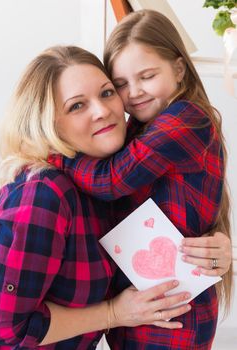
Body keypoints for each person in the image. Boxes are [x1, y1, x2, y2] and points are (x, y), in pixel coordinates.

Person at [48, 10, 233, 350]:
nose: (133, 93)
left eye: (147, 76)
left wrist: (57, 153)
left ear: (179, 69)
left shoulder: (187, 118)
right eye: (119, 84)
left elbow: (111, 180)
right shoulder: (134, 130)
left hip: (175, 308)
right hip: (142, 301)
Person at [0, 45, 196, 350]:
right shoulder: (44, 192)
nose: (103, 111)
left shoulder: (105, 183)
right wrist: (114, 313)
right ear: (48, 122)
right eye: (77, 106)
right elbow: (4, 330)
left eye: (106, 93)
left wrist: (213, 249)